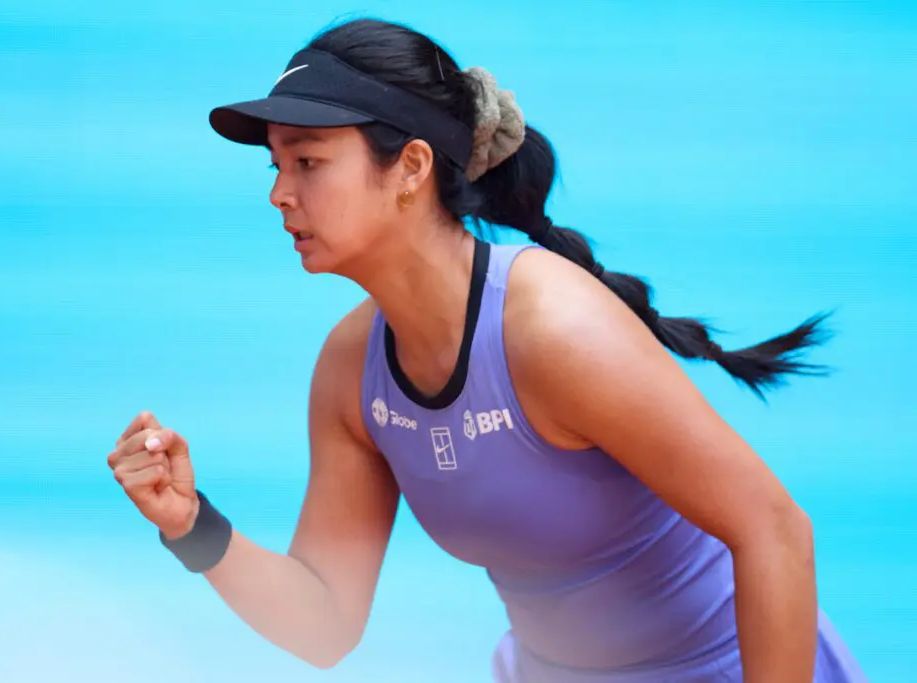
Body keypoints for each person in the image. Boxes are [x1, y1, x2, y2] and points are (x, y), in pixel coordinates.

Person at [106, 17, 868, 683]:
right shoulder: (350, 371)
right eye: (276, 165)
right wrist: (189, 524)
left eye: (308, 161)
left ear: (409, 168)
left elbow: (776, 531)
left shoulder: (554, 330)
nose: (279, 192)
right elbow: (325, 620)